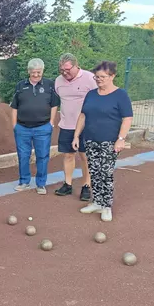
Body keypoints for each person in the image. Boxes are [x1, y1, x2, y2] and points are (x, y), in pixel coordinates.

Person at [72, 61, 133, 222]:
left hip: (110, 142)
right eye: (96, 77)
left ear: (112, 76)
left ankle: (106, 206)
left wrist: (121, 139)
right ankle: (97, 202)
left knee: (105, 173)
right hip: (91, 140)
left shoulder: (121, 95)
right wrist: (76, 135)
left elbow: (127, 118)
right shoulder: (91, 94)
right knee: (94, 171)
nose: (98, 79)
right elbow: (83, 115)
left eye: (102, 77)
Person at [10, 58, 59, 195]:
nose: (36, 75)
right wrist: (14, 125)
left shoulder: (50, 85)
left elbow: (54, 104)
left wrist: (51, 122)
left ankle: (41, 184)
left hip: (43, 127)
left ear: (42, 71)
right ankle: (24, 181)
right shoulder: (20, 85)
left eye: (38, 72)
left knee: (43, 156)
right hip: (22, 128)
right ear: (28, 71)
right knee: (23, 155)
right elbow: (14, 106)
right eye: (33, 72)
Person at [54, 53, 97, 201]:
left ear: (76, 65)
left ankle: (86, 186)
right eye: (61, 70)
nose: (64, 73)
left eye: (67, 69)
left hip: (86, 126)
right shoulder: (58, 81)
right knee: (68, 155)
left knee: (85, 157)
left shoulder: (90, 78)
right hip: (66, 125)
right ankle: (67, 184)